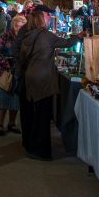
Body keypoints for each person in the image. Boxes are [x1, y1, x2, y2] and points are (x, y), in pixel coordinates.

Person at [17, 10, 81, 160]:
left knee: (33, 114)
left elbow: (22, 57)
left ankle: (30, 145)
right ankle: (41, 151)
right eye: (45, 18)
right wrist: (79, 36)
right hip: (43, 79)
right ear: (41, 21)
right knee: (43, 116)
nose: (47, 19)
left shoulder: (27, 36)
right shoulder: (46, 35)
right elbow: (66, 43)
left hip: (30, 77)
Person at [0, 14, 25, 136]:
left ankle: (12, 123)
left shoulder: (25, 39)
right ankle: (0, 124)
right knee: (3, 99)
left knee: (15, 99)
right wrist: (5, 63)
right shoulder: (5, 36)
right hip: (4, 72)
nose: (19, 28)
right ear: (13, 25)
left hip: (18, 73)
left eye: (22, 26)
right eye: (17, 26)